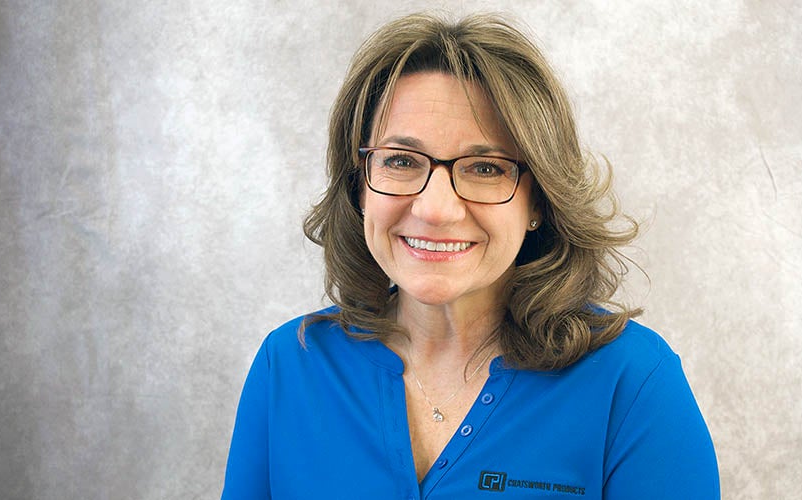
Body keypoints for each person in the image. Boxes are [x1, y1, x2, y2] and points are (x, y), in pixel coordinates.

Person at [222, 12, 719, 499]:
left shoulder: (633, 384)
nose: (435, 209)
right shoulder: (290, 366)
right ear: (358, 185)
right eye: (400, 160)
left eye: (486, 167)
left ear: (539, 202)